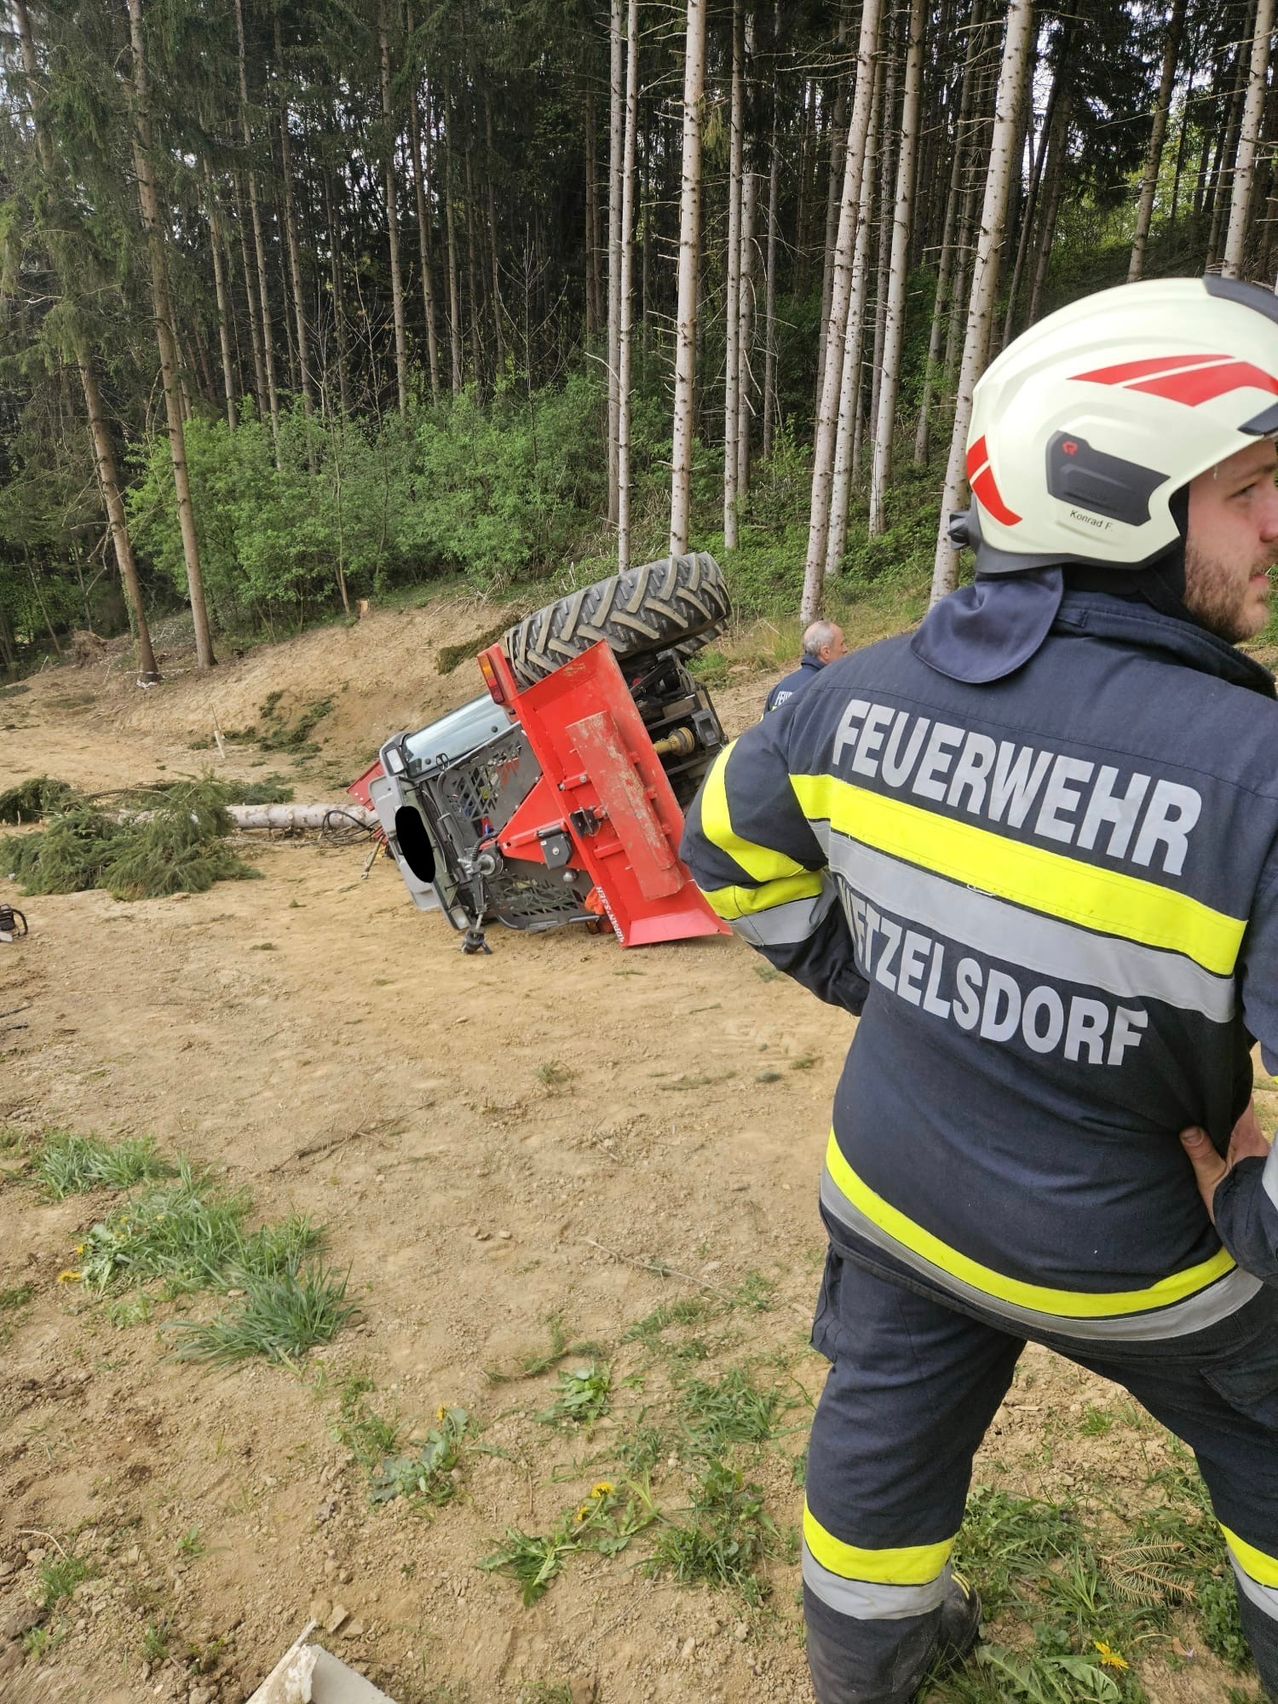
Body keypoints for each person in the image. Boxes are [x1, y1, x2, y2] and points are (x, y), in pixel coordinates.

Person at [680, 275, 1278, 1704]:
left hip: (890, 1198)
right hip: (1144, 1264)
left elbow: (723, 854)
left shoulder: (843, 697)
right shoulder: (1252, 778)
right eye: (1253, 485)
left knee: (878, 1438)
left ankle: (869, 1661)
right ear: (1112, 486)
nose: (1277, 526)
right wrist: (1252, 1214)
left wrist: (879, 982)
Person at [765, 620, 848, 713]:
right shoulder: (828, 690)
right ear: (826, 652)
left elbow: (764, 726)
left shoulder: (780, 688)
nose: (845, 649)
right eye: (841, 644)